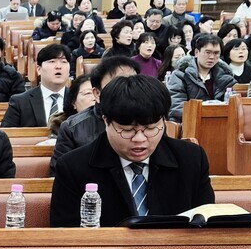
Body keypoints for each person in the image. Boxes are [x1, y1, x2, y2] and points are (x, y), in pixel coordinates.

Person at [51, 75, 214, 227]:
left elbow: (206, 227)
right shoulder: (74, 167)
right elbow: (66, 237)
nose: (140, 139)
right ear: (106, 121)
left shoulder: (191, 159)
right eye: (127, 130)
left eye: (150, 128)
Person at [50, 56, 140, 174]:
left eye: (133, 82)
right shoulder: (72, 128)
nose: (128, 89)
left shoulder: (152, 121)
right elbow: (61, 175)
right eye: (119, 83)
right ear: (97, 93)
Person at [167, 34, 237, 120]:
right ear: (197, 52)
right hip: (187, 123)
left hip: (219, 123)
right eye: (208, 52)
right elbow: (176, 106)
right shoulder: (180, 75)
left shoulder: (226, 78)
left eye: (216, 53)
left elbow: (234, 106)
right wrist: (203, 115)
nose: (212, 57)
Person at [1, 43, 69, 127]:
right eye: (52, 61)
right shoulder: (20, 102)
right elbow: (7, 136)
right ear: (39, 69)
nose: (58, 66)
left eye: (64, 62)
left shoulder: (78, 99)